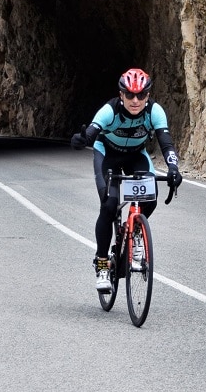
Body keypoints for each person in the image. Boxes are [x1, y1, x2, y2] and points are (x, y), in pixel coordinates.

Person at [71, 68, 183, 292]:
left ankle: (137, 236)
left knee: (150, 197)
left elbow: (166, 143)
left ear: (148, 96)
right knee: (109, 204)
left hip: (135, 155)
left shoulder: (155, 112)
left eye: (141, 95)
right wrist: (82, 139)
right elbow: (92, 133)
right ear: (121, 94)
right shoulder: (109, 110)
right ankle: (103, 264)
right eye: (130, 95)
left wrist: (173, 167)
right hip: (107, 155)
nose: (135, 100)